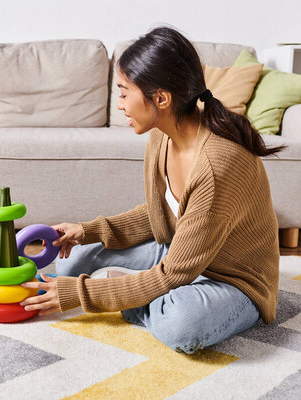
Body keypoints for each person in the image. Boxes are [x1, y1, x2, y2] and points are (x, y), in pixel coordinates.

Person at [21, 27, 283, 354]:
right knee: (69, 262)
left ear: (160, 98)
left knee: (180, 324)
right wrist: (87, 231)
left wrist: (85, 295)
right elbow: (160, 212)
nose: (119, 105)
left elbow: (174, 274)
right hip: (179, 252)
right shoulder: (162, 133)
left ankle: (135, 295)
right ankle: (137, 289)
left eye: (124, 92)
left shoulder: (217, 166)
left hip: (232, 280)